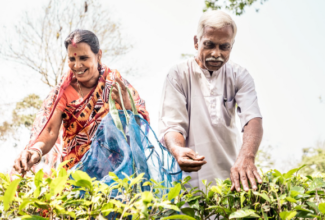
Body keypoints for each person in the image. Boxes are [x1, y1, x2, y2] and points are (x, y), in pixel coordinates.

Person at [13, 29, 150, 174]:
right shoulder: (63, 92)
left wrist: (127, 106)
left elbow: (141, 124)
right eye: (72, 59)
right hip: (76, 174)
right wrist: (36, 150)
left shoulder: (114, 83)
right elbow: (50, 131)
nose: (77, 65)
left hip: (116, 173)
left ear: (98, 55)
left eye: (83, 58)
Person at [158, 10, 263, 192]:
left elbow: (252, 119)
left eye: (224, 47)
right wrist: (178, 150)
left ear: (232, 46)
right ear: (196, 42)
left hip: (229, 181)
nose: (216, 53)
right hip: (185, 184)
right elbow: (173, 126)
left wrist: (247, 157)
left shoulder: (240, 76)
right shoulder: (178, 75)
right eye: (209, 45)